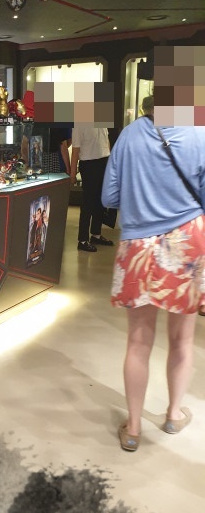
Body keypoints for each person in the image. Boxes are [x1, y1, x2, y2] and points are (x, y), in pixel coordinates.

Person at [101, 95, 205, 451]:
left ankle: (133, 428)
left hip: (137, 246)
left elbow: (109, 196)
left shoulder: (129, 135)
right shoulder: (199, 134)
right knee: (182, 339)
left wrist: (142, 196)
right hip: (187, 244)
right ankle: (173, 415)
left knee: (138, 341)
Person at [71, 123, 113, 251]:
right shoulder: (79, 124)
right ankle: (82, 240)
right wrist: (72, 173)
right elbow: (75, 150)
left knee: (100, 201)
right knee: (88, 202)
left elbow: (106, 140)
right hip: (89, 165)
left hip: (104, 161)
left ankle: (96, 234)